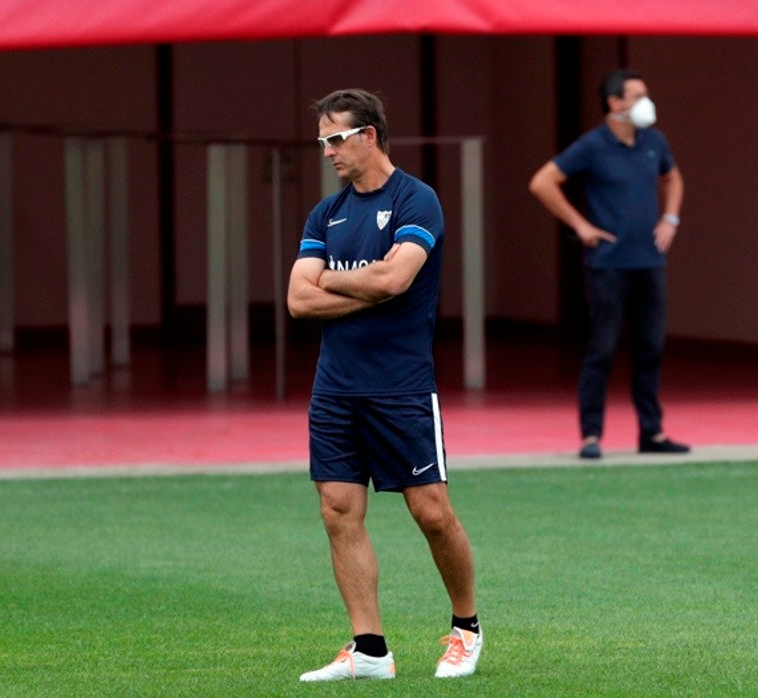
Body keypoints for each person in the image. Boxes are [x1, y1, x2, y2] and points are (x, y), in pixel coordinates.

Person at [287, 88, 482, 680]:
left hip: (401, 386)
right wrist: (367, 287)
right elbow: (298, 300)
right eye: (322, 141)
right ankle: (370, 650)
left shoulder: (416, 200)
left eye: (336, 139)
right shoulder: (325, 215)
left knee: (431, 512)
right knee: (338, 510)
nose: (327, 151)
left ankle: (466, 629)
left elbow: (395, 281)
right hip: (335, 388)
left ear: (369, 135)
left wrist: (337, 282)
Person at [528, 69, 690, 460]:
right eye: (637, 95)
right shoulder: (593, 146)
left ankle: (652, 432)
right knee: (601, 350)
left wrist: (670, 219)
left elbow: (673, 179)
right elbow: (543, 182)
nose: (646, 102)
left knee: (650, 348)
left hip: (649, 261)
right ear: (614, 103)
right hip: (608, 264)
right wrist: (581, 225)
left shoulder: (654, 141)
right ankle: (591, 436)